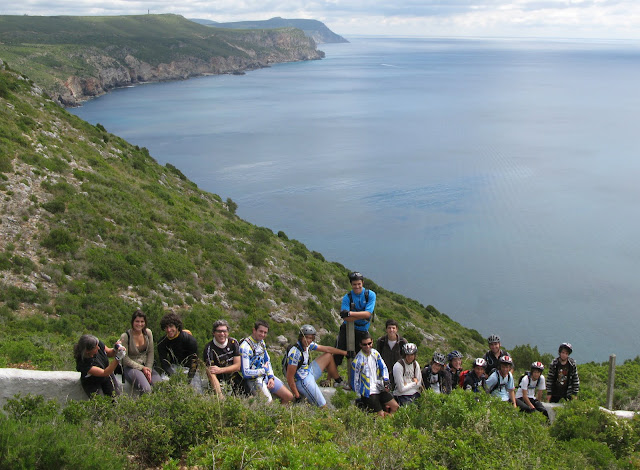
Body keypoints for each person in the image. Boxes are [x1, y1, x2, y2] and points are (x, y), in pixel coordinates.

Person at [286, 324, 348, 407]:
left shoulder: (307, 345)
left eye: (311, 338)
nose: (308, 340)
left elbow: (327, 349)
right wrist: (297, 396)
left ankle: (339, 381)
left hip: (308, 372)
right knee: (323, 406)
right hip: (303, 381)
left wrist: (345, 353)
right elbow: (289, 377)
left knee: (328, 356)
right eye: (306, 337)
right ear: (301, 337)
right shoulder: (295, 353)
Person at [239, 320, 293, 403]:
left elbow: (267, 360)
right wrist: (263, 370)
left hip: (265, 376)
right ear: (254, 330)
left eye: (265, 332)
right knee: (268, 403)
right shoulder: (245, 347)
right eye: (260, 331)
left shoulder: (261, 342)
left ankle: (281, 412)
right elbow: (245, 373)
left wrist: (271, 377)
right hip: (253, 379)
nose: (263, 335)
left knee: (289, 396)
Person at [334, 272, 376, 368]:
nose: (357, 286)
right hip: (347, 328)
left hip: (362, 330)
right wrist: (362, 315)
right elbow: (345, 317)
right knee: (337, 354)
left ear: (363, 283)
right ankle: (331, 376)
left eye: (359, 284)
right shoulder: (347, 297)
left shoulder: (370, 294)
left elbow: (367, 314)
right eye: (354, 284)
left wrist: (350, 313)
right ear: (351, 284)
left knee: (362, 356)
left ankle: (359, 376)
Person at [351, 333, 399, 417]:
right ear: (360, 345)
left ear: (372, 342)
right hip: (368, 392)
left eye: (369, 343)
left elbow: (383, 367)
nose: (367, 346)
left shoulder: (375, 353)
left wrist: (385, 379)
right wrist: (359, 395)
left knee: (395, 406)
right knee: (381, 415)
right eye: (364, 344)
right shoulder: (357, 361)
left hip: (379, 388)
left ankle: (390, 421)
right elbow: (354, 380)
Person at [119, 309, 162, 394]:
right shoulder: (126, 336)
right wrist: (142, 368)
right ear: (132, 322)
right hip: (131, 367)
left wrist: (148, 368)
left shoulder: (148, 333)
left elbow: (150, 352)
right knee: (146, 389)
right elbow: (125, 359)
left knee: (160, 386)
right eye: (137, 321)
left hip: (146, 365)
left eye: (142, 321)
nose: (139, 324)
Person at [157, 312, 201, 391]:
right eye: (166, 327)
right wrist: (174, 377)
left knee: (195, 390)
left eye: (171, 326)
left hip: (189, 371)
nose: (169, 330)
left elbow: (194, 362)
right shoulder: (162, 342)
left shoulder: (189, 340)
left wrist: (188, 380)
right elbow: (164, 362)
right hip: (173, 369)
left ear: (177, 326)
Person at [74, 334, 125, 398]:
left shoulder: (97, 344)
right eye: (96, 347)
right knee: (98, 400)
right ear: (87, 351)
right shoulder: (83, 363)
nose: (98, 348)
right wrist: (118, 358)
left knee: (115, 397)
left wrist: (116, 349)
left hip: (107, 375)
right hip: (92, 382)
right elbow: (104, 373)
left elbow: (109, 352)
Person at [203, 319, 243, 399]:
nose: (222, 334)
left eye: (224, 331)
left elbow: (238, 366)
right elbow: (211, 373)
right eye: (219, 331)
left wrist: (220, 370)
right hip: (219, 381)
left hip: (234, 377)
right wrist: (220, 395)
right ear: (213, 333)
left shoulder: (233, 343)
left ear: (228, 332)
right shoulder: (209, 348)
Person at [376, 319, 407, 389]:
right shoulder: (381, 341)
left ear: (397, 329)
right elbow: (378, 357)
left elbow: (406, 358)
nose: (391, 330)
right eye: (389, 328)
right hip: (384, 373)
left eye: (393, 328)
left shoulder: (402, 342)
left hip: (399, 373)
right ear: (386, 329)